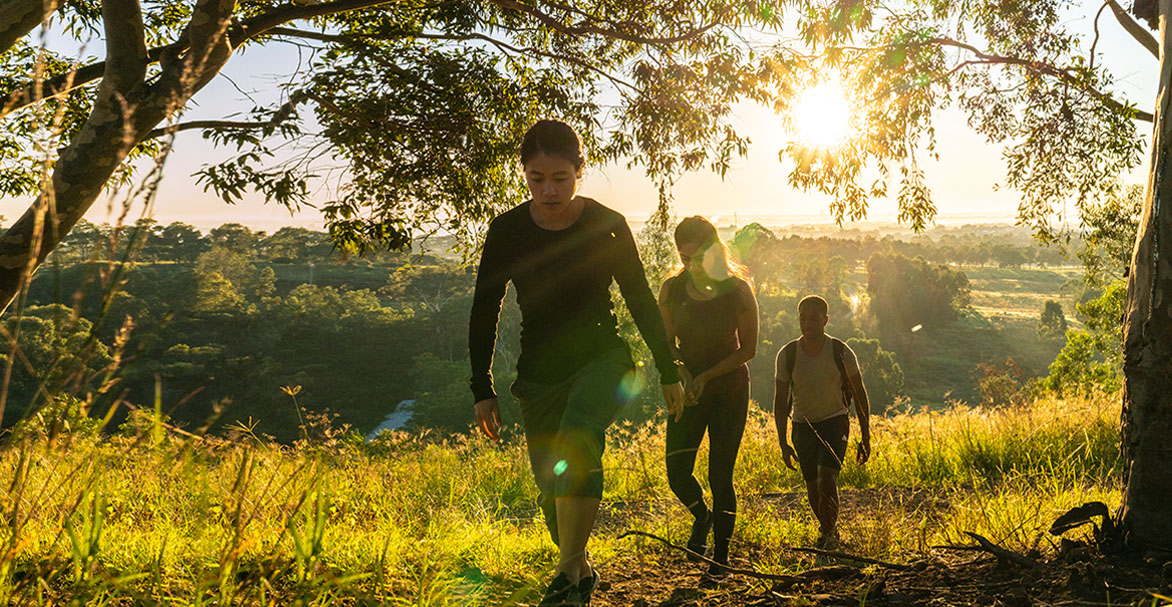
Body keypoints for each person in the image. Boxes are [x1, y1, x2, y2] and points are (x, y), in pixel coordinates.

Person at [469, 119, 686, 606]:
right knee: (551, 491)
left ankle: (565, 575)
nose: (548, 191)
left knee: (579, 434)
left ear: (579, 172)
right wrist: (482, 386)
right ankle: (580, 567)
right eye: (536, 179)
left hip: (603, 358)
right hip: (539, 373)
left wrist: (668, 369)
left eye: (560, 179)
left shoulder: (605, 224)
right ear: (524, 175)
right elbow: (485, 310)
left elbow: (639, 297)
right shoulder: (507, 231)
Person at [658, 216, 757, 576]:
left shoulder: (738, 290)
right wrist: (682, 373)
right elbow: (666, 344)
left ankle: (721, 557)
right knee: (677, 472)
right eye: (684, 258)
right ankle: (703, 517)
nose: (692, 265)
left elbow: (749, 349)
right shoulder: (671, 290)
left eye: (698, 257)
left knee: (720, 476)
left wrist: (708, 375)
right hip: (688, 391)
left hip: (729, 389)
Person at [773, 295, 871, 548]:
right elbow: (780, 401)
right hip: (802, 426)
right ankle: (829, 530)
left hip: (834, 422)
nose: (807, 323)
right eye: (803, 318)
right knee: (813, 488)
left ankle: (828, 536)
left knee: (827, 479)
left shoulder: (841, 351)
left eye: (814, 318)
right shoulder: (788, 354)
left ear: (826, 320)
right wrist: (783, 442)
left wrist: (866, 436)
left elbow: (860, 395)